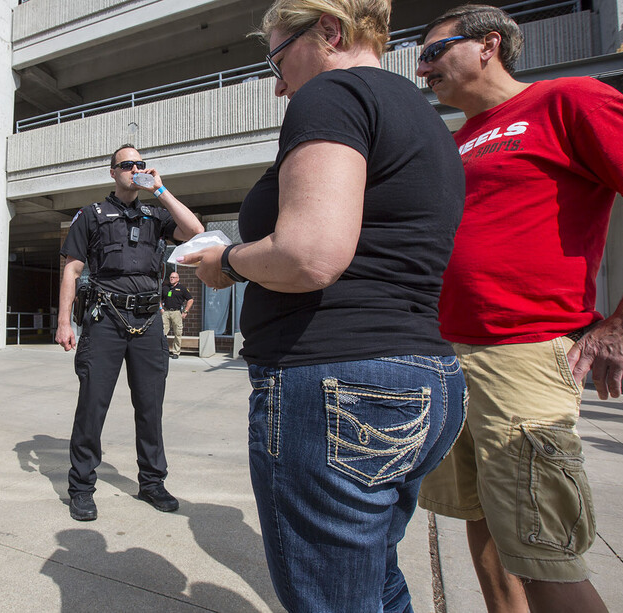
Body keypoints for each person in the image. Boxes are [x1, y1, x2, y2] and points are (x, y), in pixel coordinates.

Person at [183, 0, 467, 609]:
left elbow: (309, 255)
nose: (278, 83)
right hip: (422, 376)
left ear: (330, 31)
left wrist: (226, 262)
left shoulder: (334, 94)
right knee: (375, 581)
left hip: (338, 378)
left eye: (278, 58)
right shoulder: (417, 111)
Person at [414, 5, 623, 612]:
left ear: (488, 44)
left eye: (434, 51)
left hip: (522, 353)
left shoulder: (570, 101)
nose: (422, 69)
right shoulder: (455, 140)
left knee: (545, 551)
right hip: (449, 356)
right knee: (482, 519)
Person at [55, 145, 204, 521]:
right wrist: (62, 322)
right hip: (105, 318)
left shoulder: (156, 213)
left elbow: (194, 231)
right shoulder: (91, 215)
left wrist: (161, 189)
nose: (135, 169)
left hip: (149, 319)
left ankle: (152, 482)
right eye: (127, 165)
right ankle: (82, 486)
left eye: (140, 164)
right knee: (93, 404)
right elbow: (72, 270)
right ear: (112, 172)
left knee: (150, 406)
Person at [161, 271, 193, 358]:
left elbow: (190, 300)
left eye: (174, 277)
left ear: (178, 279)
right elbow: (159, 299)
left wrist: (185, 311)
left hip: (176, 313)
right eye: (171, 277)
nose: (171, 279)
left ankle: (176, 352)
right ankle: (163, 351)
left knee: (177, 333)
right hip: (166, 312)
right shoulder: (165, 288)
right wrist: (161, 309)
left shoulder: (182, 288)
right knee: (162, 332)